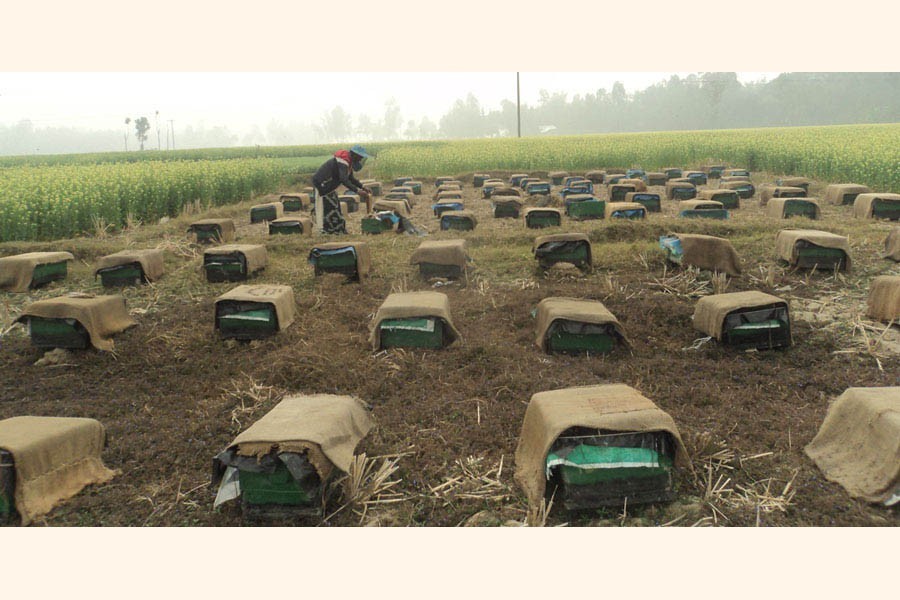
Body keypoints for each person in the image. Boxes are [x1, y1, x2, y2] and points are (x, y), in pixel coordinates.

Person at [311, 145, 372, 234]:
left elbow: (351, 178)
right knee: (323, 208)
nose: (360, 160)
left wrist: (362, 186)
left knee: (335, 207)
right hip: (322, 186)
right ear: (354, 155)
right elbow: (343, 179)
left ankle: (336, 229)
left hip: (329, 188)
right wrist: (357, 191)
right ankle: (323, 231)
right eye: (360, 158)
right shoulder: (342, 162)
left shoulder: (347, 162)